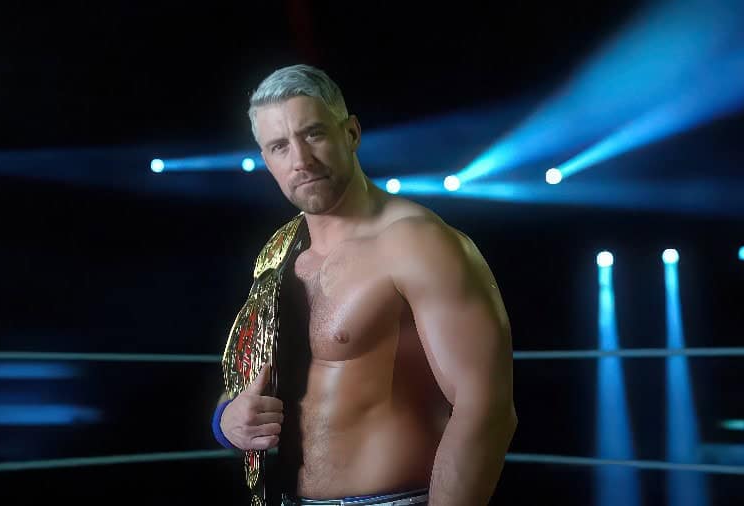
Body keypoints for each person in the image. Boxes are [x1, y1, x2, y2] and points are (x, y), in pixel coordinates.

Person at [212, 64, 517, 506]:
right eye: (280, 146)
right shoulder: (279, 256)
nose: (300, 160)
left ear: (351, 133)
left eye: (314, 134)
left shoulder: (416, 243)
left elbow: (486, 409)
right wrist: (226, 420)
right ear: (267, 160)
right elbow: (246, 377)